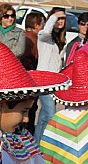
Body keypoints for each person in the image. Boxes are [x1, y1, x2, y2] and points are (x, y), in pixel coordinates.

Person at [34, 6, 66, 144]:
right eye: (58, 18)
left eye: (63, 18)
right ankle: (46, 144)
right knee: (51, 114)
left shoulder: (60, 40)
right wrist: (54, 16)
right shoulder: (44, 37)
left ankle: (37, 143)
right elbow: (45, 31)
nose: (60, 21)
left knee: (43, 116)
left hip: (55, 82)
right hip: (43, 81)